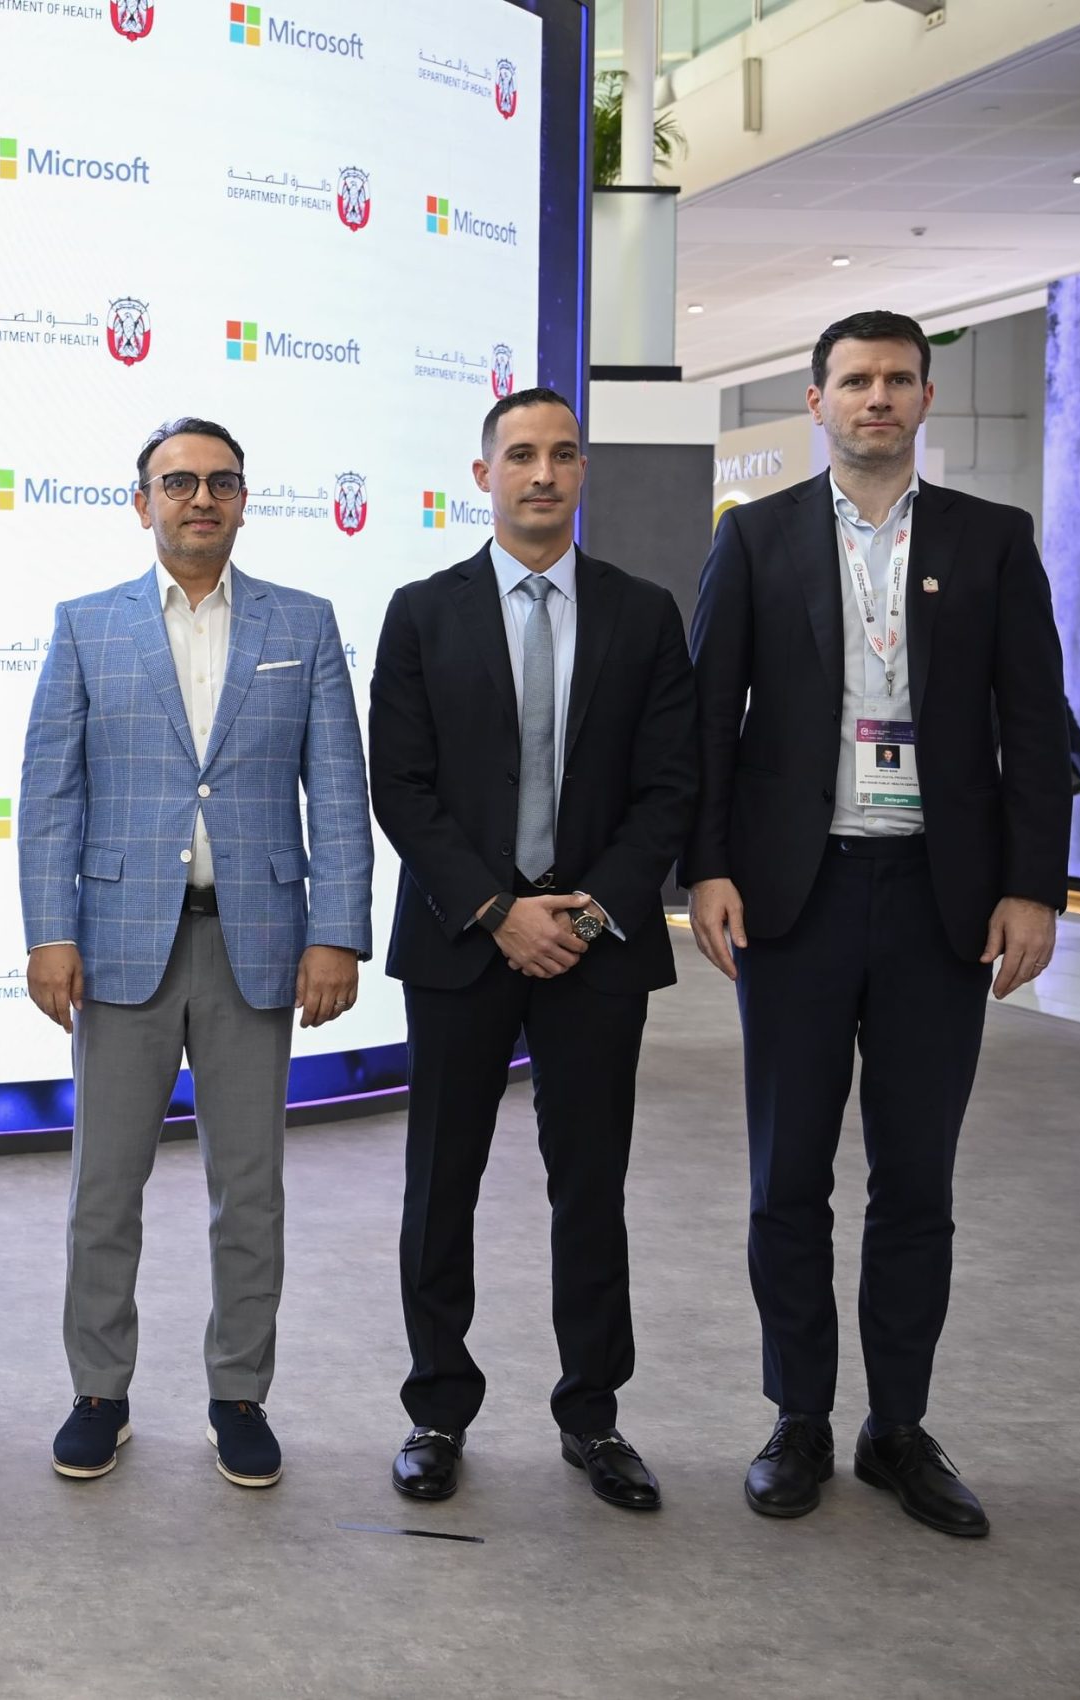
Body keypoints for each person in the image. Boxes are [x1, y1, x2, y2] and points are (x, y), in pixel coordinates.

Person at [687, 310, 1068, 1537]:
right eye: (854, 380)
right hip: (793, 899)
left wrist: (1034, 886)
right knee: (786, 1175)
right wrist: (706, 868)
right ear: (815, 400)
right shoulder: (754, 538)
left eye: (898, 379)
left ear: (925, 398)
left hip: (937, 902)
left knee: (915, 1178)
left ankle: (895, 1424)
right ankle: (797, 1415)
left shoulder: (990, 540)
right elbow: (708, 720)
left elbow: (1036, 723)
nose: (876, 398)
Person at [19, 417, 373, 1489]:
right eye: (177, 482)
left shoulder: (303, 624)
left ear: (244, 500)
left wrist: (336, 931)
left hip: (255, 945)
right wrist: (49, 934)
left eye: (220, 482)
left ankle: (238, 1395)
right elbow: (51, 797)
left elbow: (339, 794)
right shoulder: (87, 626)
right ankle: (98, 1391)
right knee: (103, 1189)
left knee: (249, 1191)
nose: (199, 498)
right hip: (119, 946)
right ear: (143, 502)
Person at [367, 388, 697, 1512]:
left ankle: (592, 1414)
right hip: (462, 941)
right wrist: (497, 909)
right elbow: (402, 787)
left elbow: (670, 786)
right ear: (484, 475)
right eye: (520, 455)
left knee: (590, 1183)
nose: (542, 473)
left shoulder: (643, 613)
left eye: (561, 454)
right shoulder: (422, 612)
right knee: (439, 1182)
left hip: (597, 950)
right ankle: (436, 1410)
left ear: (583, 470)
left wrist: (587, 911)